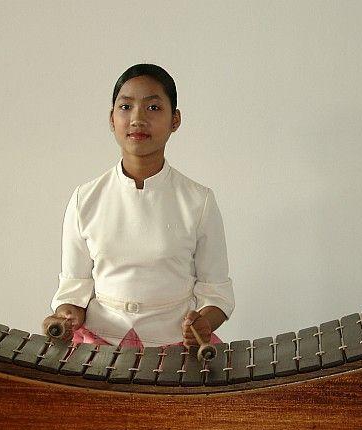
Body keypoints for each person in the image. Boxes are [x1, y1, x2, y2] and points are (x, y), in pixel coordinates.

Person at [43, 63, 235, 350]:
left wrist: (202, 324)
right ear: (112, 118)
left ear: (175, 120)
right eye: (125, 107)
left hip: (174, 349)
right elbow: (74, 290)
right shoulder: (85, 198)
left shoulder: (199, 201)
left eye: (153, 108)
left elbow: (216, 293)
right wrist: (66, 317)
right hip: (99, 349)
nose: (137, 119)